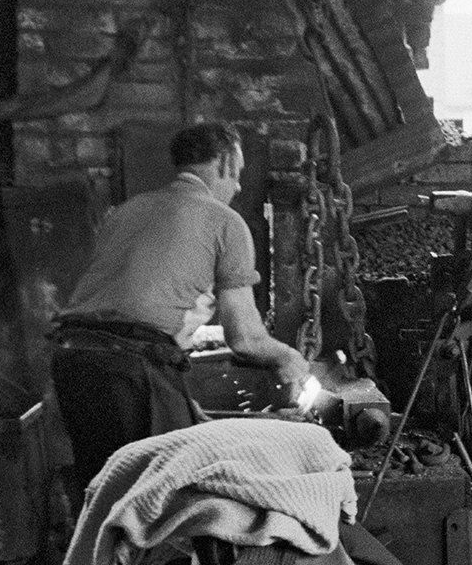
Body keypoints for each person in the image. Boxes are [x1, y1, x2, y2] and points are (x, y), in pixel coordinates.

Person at [51, 121, 309, 490]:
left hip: (72, 360)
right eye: (236, 174)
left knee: (105, 492)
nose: (237, 187)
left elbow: (132, 304)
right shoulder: (226, 222)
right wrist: (289, 359)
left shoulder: (126, 210)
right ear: (221, 163)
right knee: (161, 498)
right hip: (129, 366)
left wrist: (177, 402)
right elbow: (246, 339)